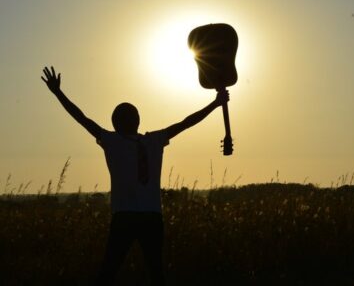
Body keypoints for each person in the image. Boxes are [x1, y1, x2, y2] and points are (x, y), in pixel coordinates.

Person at [41, 66, 229, 285]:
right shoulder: (145, 140)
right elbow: (186, 122)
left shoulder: (123, 141)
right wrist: (215, 104)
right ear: (134, 121)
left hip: (131, 217)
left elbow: (82, 118)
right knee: (147, 272)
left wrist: (58, 93)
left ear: (116, 123)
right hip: (146, 217)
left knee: (118, 272)